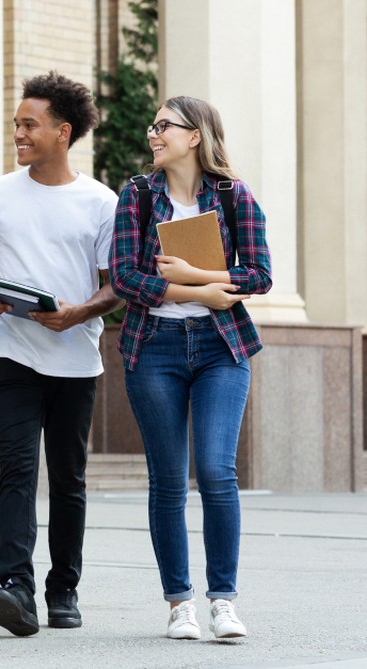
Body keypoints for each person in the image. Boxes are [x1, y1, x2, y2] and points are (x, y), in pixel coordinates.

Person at [0, 71, 121, 637]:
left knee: (69, 477)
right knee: (17, 470)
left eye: (29, 124)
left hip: (75, 357)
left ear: (63, 131)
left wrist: (78, 312)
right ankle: (17, 589)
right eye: (16, 124)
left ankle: (64, 591)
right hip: (8, 352)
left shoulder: (102, 202)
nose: (19, 134)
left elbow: (115, 283)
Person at [109, 96, 271, 641]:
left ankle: (223, 600)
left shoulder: (232, 195)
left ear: (195, 135)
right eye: (153, 125)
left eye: (164, 126)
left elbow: (261, 274)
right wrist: (197, 286)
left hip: (220, 348)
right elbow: (127, 279)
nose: (154, 133)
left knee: (217, 472)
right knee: (168, 480)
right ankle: (180, 604)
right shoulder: (135, 194)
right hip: (153, 346)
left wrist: (202, 272)